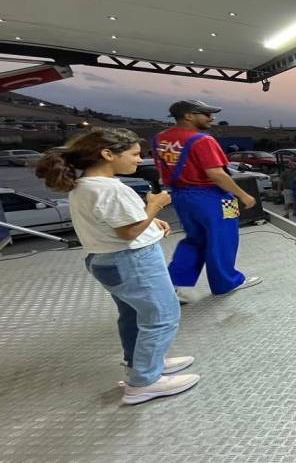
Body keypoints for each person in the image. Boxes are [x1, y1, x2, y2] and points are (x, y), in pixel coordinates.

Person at [35, 128, 199, 404]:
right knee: (162, 315)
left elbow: (113, 223)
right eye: (134, 154)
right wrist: (155, 206)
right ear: (108, 154)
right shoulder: (110, 189)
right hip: (132, 260)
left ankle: (141, 362)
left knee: (134, 315)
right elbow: (128, 232)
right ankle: (144, 382)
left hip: (106, 259)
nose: (139, 159)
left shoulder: (85, 185)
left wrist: (150, 221)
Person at [153, 101, 260, 299]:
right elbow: (216, 174)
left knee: (195, 240)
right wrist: (243, 195)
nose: (212, 118)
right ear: (188, 116)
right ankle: (226, 283)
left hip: (181, 195)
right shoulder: (202, 140)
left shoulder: (161, 139)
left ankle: (171, 287)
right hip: (212, 196)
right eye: (206, 114)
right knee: (223, 239)